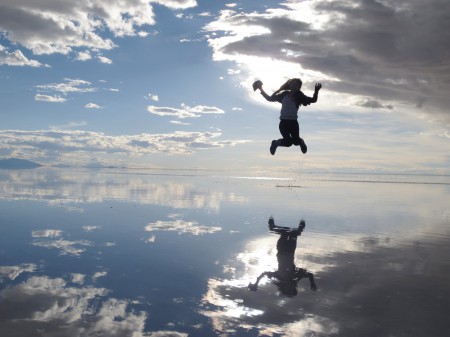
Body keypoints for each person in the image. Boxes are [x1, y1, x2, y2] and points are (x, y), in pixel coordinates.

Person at [248, 217, 317, 297]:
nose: (293, 286)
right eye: (293, 288)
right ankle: (295, 229)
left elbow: (264, 274)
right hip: (290, 250)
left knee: (286, 232)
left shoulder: (279, 277)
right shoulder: (295, 277)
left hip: (281, 250)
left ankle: (273, 227)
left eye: (290, 289)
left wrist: (256, 283)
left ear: (285, 288)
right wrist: (312, 283)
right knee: (293, 233)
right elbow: (310, 275)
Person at [253, 78, 322, 155]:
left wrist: (316, 91)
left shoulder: (299, 95)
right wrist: (261, 89)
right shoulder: (284, 94)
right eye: (292, 83)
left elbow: (313, 100)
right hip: (283, 123)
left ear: (298, 87)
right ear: (289, 85)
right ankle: (275, 143)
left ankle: (301, 142)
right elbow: (270, 98)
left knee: (296, 141)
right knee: (288, 143)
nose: (293, 85)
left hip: (293, 123)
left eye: (296, 84)